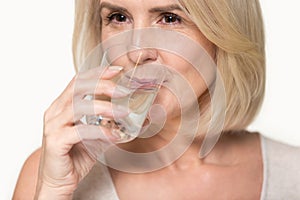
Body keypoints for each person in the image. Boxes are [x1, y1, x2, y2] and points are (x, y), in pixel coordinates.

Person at [13, 0, 300, 199]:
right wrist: (52, 191)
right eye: (118, 17)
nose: (137, 52)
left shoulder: (293, 175)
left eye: (170, 18)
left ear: (222, 34)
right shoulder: (53, 172)